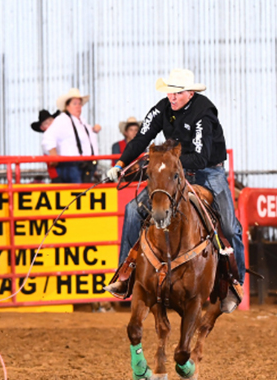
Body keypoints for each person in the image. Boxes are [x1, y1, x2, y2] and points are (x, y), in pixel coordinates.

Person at [105, 69, 245, 313]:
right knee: (132, 210)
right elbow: (141, 137)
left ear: (190, 93)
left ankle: (235, 282)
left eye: (177, 92)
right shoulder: (162, 108)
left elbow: (201, 158)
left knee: (230, 227)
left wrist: (167, 163)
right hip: (175, 172)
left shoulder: (204, 113)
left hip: (208, 172)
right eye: (170, 91)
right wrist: (120, 163)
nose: (172, 96)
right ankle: (125, 274)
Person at [41, 88, 102, 183]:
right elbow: (48, 137)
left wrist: (93, 130)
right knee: (77, 193)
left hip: (86, 165)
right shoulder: (62, 120)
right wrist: (53, 155)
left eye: (79, 103)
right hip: (71, 165)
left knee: (83, 193)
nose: (78, 106)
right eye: (74, 103)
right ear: (67, 106)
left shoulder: (82, 122)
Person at [31, 109, 61, 182]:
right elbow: (54, 161)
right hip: (58, 175)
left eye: (51, 120)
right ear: (42, 128)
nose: (50, 124)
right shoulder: (46, 140)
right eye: (46, 123)